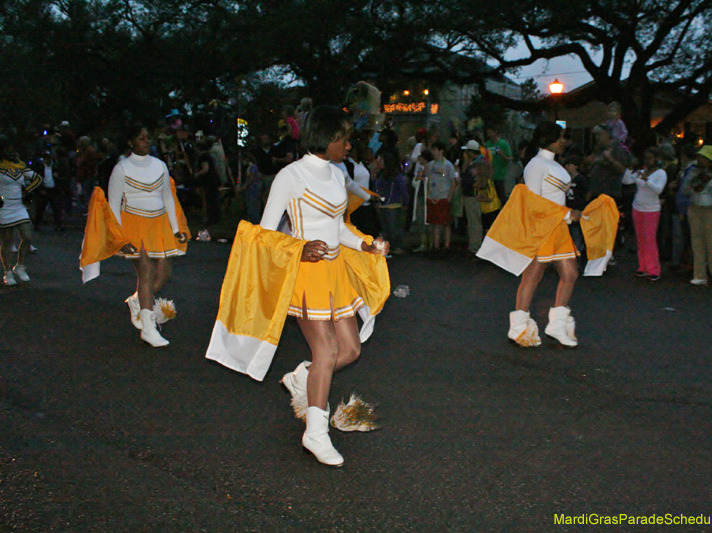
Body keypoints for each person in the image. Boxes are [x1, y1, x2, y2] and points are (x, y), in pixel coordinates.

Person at [206, 106, 390, 467]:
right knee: (326, 353)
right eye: (344, 138)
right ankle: (315, 433)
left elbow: (337, 229)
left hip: (336, 273)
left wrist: (365, 244)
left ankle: (302, 378)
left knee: (350, 350)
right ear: (326, 138)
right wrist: (299, 248)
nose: (349, 145)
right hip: (306, 276)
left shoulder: (337, 175)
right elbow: (265, 234)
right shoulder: (290, 176)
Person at [478, 122, 584, 348]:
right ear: (550, 139)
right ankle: (518, 327)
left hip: (558, 227)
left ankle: (556, 326)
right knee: (532, 277)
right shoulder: (535, 165)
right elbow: (532, 203)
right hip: (543, 228)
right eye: (560, 138)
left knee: (571, 273)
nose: (564, 142)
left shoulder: (552, 164)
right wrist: (566, 215)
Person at [105, 125, 189, 346]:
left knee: (165, 272)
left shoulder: (160, 165)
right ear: (131, 141)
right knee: (147, 271)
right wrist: (120, 238)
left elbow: (168, 198)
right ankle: (149, 327)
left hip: (159, 224)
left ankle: (137, 300)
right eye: (141, 138)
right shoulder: (121, 168)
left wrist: (175, 228)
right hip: (134, 224)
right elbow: (113, 205)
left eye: (148, 137)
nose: (146, 141)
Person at [680, 145, 712, 287]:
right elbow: (685, 190)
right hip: (695, 209)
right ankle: (699, 275)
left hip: (711, 209)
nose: (700, 160)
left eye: (703, 158)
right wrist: (690, 177)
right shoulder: (694, 172)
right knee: (697, 244)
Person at [622, 147, 668, 281]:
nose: (647, 161)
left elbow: (658, 190)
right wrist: (629, 169)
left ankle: (654, 269)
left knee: (650, 240)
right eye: (646, 158)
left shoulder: (660, 173)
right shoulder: (641, 172)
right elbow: (626, 181)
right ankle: (643, 267)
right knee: (640, 240)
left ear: (656, 159)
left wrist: (646, 179)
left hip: (651, 210)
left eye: (650, 158)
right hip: (637, 208)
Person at [0, 139, 42, 285]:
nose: (12, 152)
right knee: (6, 241)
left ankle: (20, 266)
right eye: (9, 150)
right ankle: (7, 273)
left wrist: (26, 191)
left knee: (27, 236)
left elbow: (37, 178)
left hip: (19, 206)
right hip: (4, 207)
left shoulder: (20, 166)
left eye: (13, 150)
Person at [426, 141, 458, 251]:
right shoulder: (430, 165)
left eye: (434, 150)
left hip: (443, 196)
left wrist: (449, 197)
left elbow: (453, 182)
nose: (433, 152)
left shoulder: (448, 165)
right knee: (435, 223)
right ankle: (435, 246)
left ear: (441, 151)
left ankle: (446, 245)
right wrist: (428, 195)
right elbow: (428, 180)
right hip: (433, 197)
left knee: (445, 223)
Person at [460, 140, 488, 254]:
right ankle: (474, 245)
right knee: (474, 222)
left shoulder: (477, 164)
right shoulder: (481, 162)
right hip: (475, 195)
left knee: (474, 222)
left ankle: (475, 246)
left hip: (473, 195)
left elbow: (471, 180)